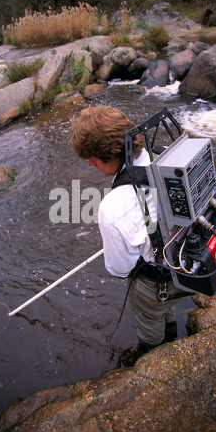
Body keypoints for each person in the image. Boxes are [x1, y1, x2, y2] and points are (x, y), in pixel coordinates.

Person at [70, 105, 181, 354]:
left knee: (150, 322)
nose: (89, 163)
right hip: (184, 263)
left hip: (156, 283)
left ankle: (156, 357)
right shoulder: (162, 154)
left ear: (111, 155)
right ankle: (174, 335)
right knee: (167, 308)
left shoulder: (111, 208)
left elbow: (121, 269)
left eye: (93, 157)